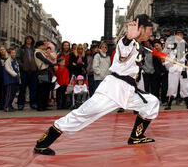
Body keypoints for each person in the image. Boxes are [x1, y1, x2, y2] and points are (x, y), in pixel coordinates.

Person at [33, 14, 160, 156]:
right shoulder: (127, 43)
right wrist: (128, 38)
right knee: (83, 114)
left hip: (127, 90)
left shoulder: (138, 45)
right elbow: (123, 52)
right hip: (112, 90)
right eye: (150, 29)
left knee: (151, 102)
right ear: (141, 28)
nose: (151, 33)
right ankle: (42, 143)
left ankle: (136, 136)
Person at [164, 30, 188, 110]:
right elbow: (165, 55)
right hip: (174, 67)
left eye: (181, 35)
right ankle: (169, 103)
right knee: (172, 86)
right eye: (177, 34)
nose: (179, 36)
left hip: (183, 67)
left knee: (185, 86)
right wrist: (169, 62)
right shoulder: (170, 45)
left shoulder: (186, 45)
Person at [16, 36, 38, 110]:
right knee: (22, 88)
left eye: (30, 39)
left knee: (33, 88)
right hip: (24, 71)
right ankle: (20, 104)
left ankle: (33, 103)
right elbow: (18, 59)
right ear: (25, 40)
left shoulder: (34, 49)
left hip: (33, 71)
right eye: (27, 39)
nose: (29, 40)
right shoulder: (21, 49)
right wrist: (22, 66)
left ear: (32, 40)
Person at [34, 41, 54, 111]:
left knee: (45, 89)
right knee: (42, 89)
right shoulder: (38, 53)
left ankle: (44, 105)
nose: (44, 47)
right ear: (39, 46)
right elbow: (44, 60)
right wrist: (52, 64)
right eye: (43, 45)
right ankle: (41, 105)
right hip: (42, 71)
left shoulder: (41, 52)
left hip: (45, 71)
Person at [3, 48, 20, 112]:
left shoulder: (15, 60)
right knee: (9, 94)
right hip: (9, 80)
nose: (14, 54)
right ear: (9, 54)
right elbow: (8, 69)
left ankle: (10, 105)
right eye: (12, 53)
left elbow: (17, 68)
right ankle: (6, 106)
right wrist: (15, 74)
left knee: (13, 93)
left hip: (14, 80)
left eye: (14, 53)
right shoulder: (8, 60)